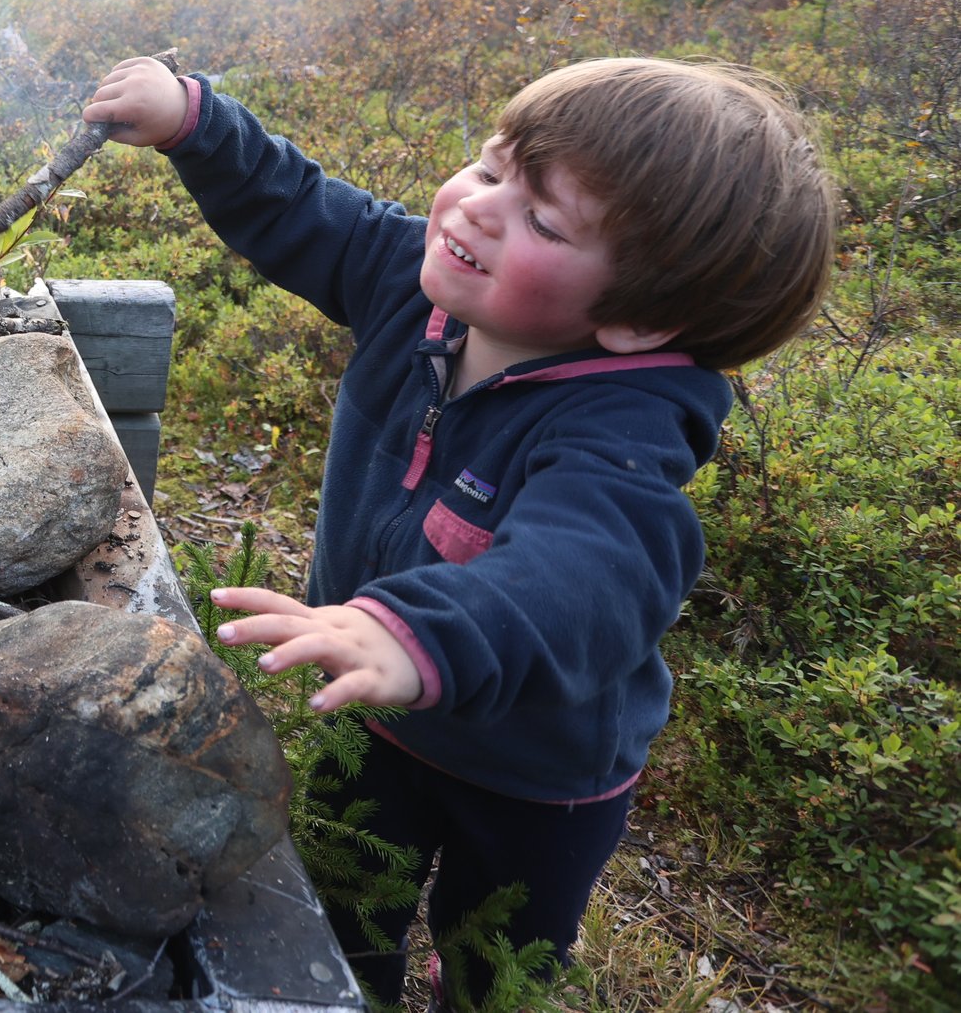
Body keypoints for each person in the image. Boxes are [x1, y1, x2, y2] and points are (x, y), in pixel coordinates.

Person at [82, 54, 834, 1005]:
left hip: (533, 776)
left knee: (499, 957)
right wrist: (197, 120)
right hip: (376, 709)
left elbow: (583, 576)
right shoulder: (415, 286)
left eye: (544, 220)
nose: (477, 207)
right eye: (489, 169)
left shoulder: (622, 435)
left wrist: (415, 631)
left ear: (642, 317)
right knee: (343, 905)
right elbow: (304, 209)